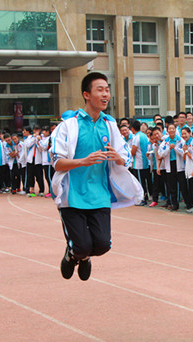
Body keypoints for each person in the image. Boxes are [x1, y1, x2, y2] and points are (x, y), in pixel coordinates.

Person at [50, 72, 142, 281]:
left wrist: (118, 158)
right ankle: (75, 254)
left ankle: (82, 256)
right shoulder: (68, 125)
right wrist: (83, 161)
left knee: (102, 245)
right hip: (73, 195)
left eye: (107, 90)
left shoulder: (110, 125)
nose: (105, 94)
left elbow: (126, 157)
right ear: (86, 94)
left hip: (99, 194)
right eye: (100, 90)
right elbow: (57, 162)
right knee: (82, 245)